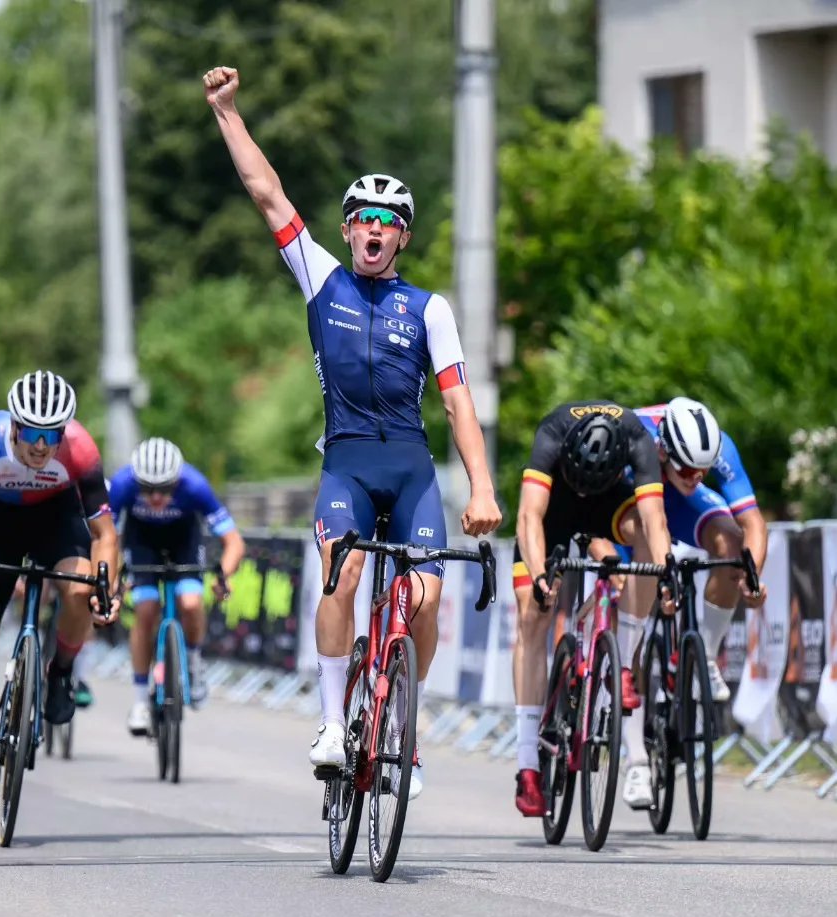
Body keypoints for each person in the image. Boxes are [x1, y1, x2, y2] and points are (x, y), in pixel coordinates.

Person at [204, 65, 501, 800]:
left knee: (424, 600)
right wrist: (227, 112)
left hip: (410, 471)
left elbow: (459, 403)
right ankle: (334, 723)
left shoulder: (429, 309)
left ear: (403, 236)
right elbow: (266, 192)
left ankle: (405, 726)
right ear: (346, 230)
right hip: (346, 466)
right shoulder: (321, 278)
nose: (373, 227)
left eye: (387, 220)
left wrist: (483, 488)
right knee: (343, 571)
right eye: (362, 217)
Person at [0, 370, 120, 806]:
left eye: (52, 434)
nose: (41, 446)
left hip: (57, 520)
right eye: (32, 433)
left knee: (79, 592)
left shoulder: (81, 449)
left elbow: (105, 535)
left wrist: (106, 589)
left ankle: (61, 673)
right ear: (14, 426)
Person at [512, 401, 673, 817]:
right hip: (556, 507)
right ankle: (528, 763)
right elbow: (529, 516)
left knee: (644, 534)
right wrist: (540, 575)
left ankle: (624, 661)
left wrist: (666, 574)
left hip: (609, 502)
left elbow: (655, 521)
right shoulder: (552, 431)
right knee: (532, 615)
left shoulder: (637, 436)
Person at [615, 396, 769, 810]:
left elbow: (753, 522)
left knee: (731, 544)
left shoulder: (717, 448)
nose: (696, 476)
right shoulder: (634, 435)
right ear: (664, 450)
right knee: (633, 627)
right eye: (687, 469)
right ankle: (636, 760)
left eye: (703, 470)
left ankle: (707, 656)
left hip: (679, 505)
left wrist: (751, 575)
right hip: (631, 505)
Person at [109, 437, 245, 733]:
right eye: (148, 489)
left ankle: (194, 664)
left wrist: (223, 576)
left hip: (185, 541)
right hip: (141, 542)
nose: (157, 497)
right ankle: (140, 701)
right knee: (145, 609)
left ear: (177, 481)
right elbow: (106, 537)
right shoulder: (122, 484)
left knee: (191, 603)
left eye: (165, 489)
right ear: (136, 481)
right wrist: (113, 578)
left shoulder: (195, 485)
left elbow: (233, 541)